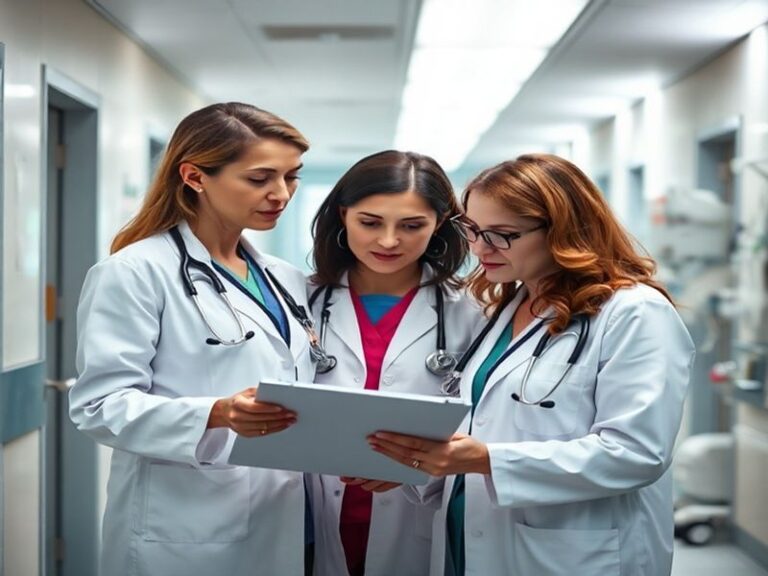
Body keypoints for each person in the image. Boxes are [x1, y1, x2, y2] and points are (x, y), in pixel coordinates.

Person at [368, 153, 695, 576]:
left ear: (563, 232)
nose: (480, 248)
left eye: (503, 234)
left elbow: (636, 452)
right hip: (470, 541)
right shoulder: (510, 306)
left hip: (572, 553)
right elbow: (485, 428)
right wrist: (423, 465)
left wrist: (486, 460)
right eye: (472, 229)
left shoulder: (635, 312)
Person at [70, 102, 316, 576]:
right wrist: (216, 413)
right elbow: (98, 406)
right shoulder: (135, 273)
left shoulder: (284, 278)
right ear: (195, 176)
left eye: (291, 177)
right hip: (186, 529)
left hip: (285, 512)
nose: (280, 194)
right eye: (260, 178)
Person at [307, 150, 483, 576]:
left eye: (412, 225)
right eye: (370, 222)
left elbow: (486, 427)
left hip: (418, 511)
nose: (389, 241)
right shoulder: (301, 301)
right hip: (312, 510)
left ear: (439, 223)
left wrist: (426, 466)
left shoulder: (474, 311)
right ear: (343, 214)